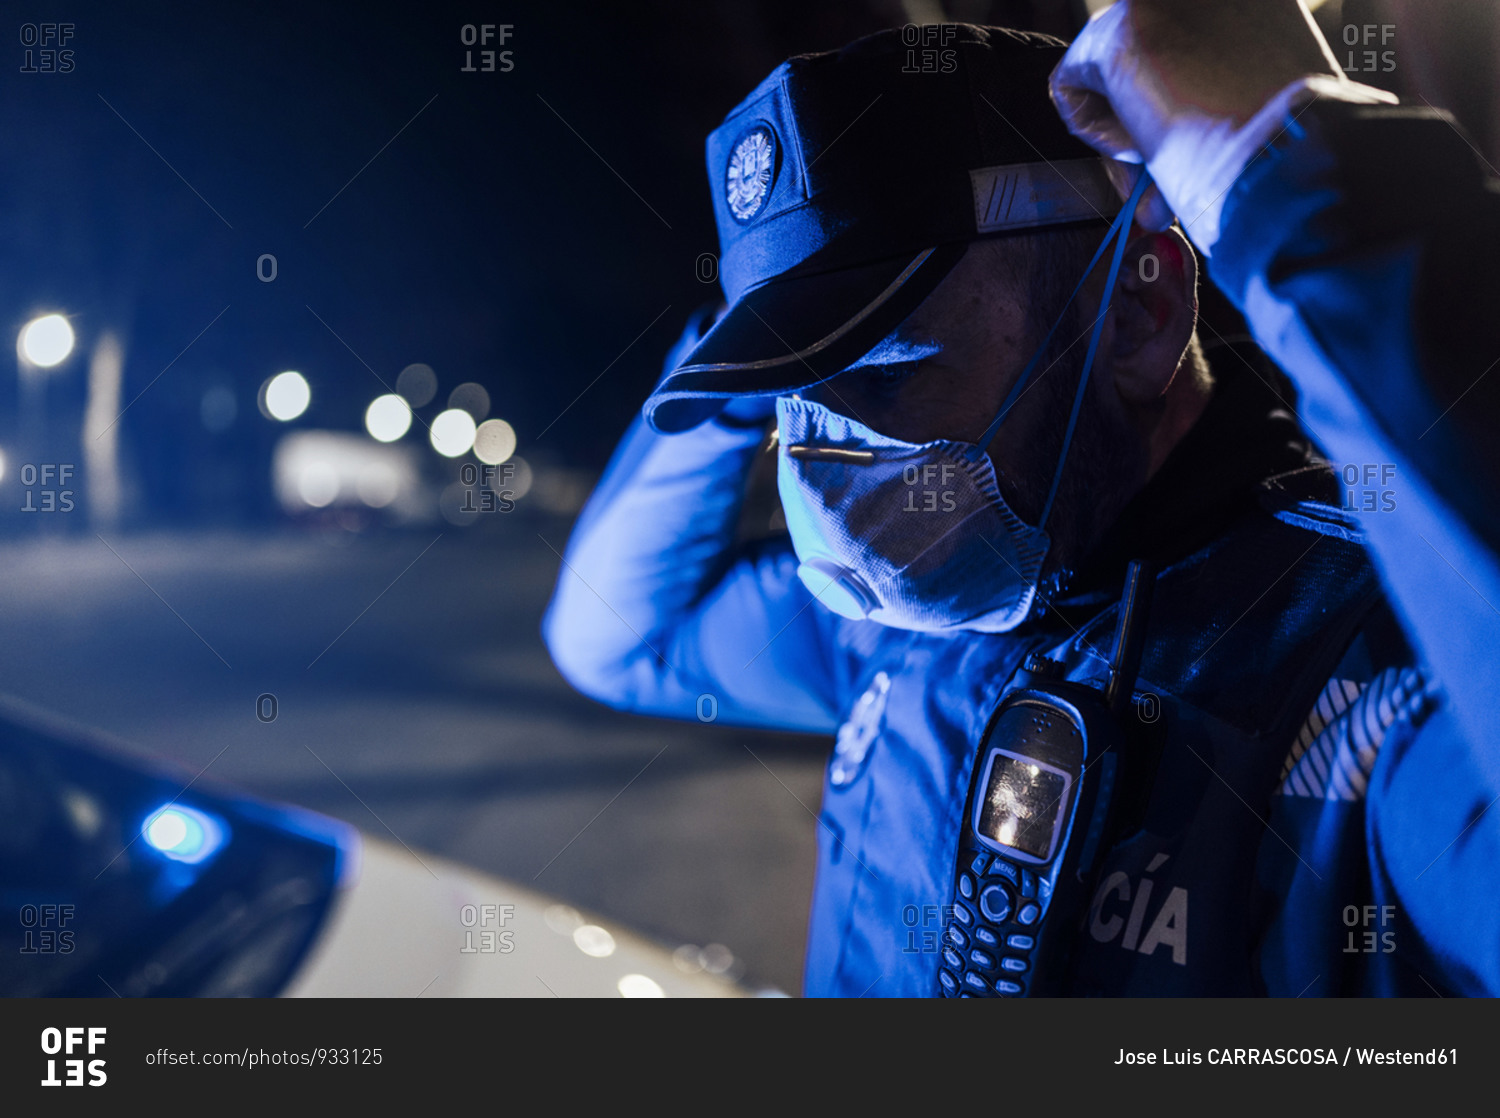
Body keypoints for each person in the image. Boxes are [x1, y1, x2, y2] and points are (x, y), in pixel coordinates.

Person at [543, 17, 1492, 996]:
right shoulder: (914, 613)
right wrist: (743, 356)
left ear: (1138, 314)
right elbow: (614, 637)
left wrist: (1295, 175)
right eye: (793, 404)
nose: (821, 471)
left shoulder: (1363, 674)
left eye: (882, 374)